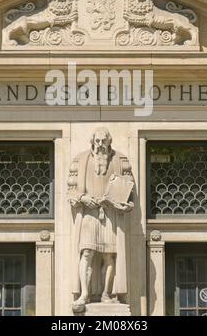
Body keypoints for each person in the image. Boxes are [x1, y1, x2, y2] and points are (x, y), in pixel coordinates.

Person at [67, 128, 134, 310]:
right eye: (97, 141)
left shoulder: (121, 160)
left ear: (109, 141)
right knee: (86, 253)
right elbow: (70, 190)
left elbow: (130, 191)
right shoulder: (80, 160)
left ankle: (106, 293)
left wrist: (124, 204)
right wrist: (82, 198)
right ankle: (85, 294)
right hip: (89, 214)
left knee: (110, 256)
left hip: (111, 214)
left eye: (104, 141)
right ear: (92, 141)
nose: (100, 145)